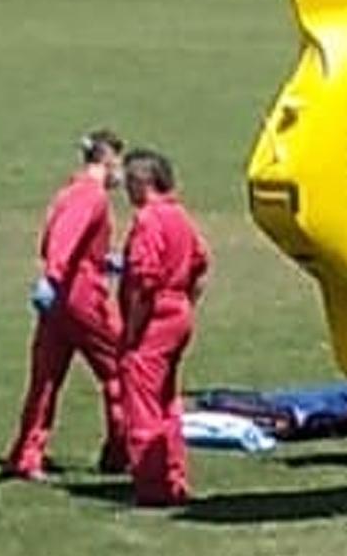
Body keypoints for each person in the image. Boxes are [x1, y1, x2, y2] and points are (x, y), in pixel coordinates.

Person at [1, 130, 130, 482]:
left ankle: (27, 454)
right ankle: (121, 450)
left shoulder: (69, 191)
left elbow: (62, 238)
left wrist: (107, 260)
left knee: (45, 378)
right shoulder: (92, 197)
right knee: (119, 368)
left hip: (60, 300)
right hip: (81, 296)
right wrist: (56, 276)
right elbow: (65, 239)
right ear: (108, 160)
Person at [117, 149, 210, 507]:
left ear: (143, 182)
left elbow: (144, 280)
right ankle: (174, 476)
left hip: (155, 316)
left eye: (129, 183)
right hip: (179, 312)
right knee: (167, 400)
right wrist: (185, 304)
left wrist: (132, 330)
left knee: (141, 401)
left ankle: (152, 485)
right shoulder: (180, 216)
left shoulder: (149, 220)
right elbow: (201, 263)